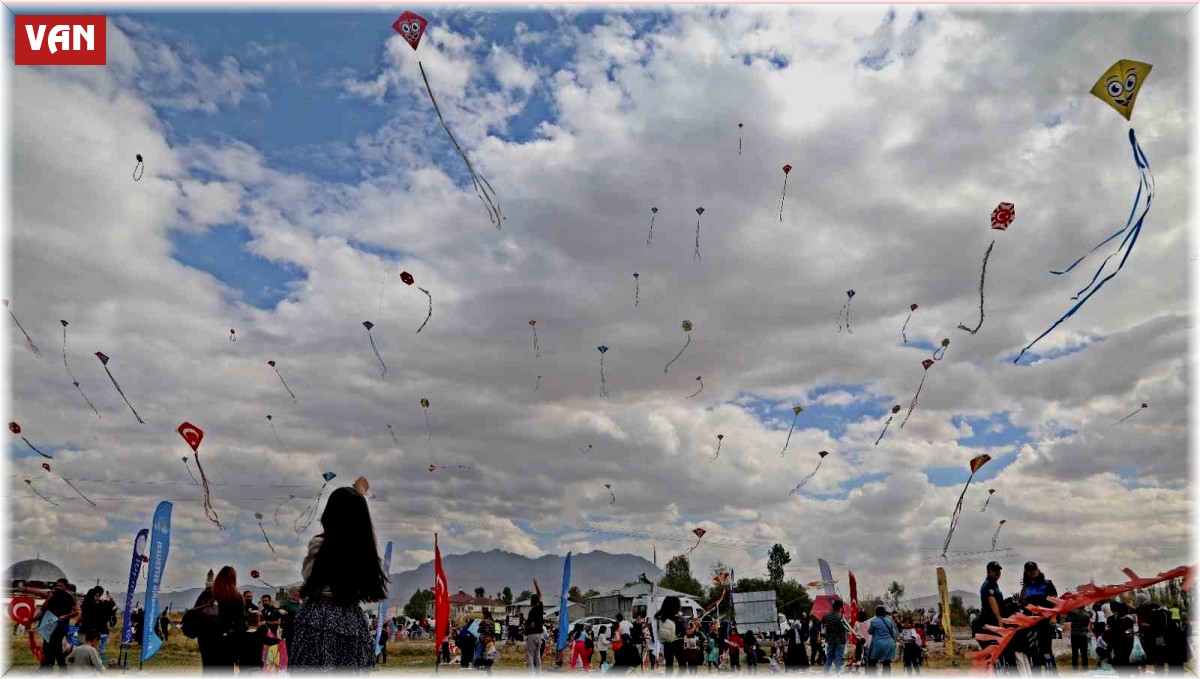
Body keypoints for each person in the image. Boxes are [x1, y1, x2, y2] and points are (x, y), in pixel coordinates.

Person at [290, 477, 388, 672]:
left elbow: (308, 575)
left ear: (329, 514)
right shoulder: (366, 553)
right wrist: (360, 501)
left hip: (316, 618)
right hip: (350, 619)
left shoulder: (319, 546)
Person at [193, 566, 247, 673]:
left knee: (208, 670)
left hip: (207, 638)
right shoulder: (237, 597)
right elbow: (240, 623)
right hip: (228, 640)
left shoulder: (208, 593)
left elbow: (195, 612)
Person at [1018, 562, 1058, 672]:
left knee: (1046, 651)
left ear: (1038, 569)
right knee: (1033, 651)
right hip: (1031, 624)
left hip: (1045, 622)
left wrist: (1054, 617)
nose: (1033, 571)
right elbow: (1022, 605)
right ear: (1026, 572)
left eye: (1034, 569)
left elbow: (1056, 601)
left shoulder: (1047, 584)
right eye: (1030, 570)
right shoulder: (1025, 588)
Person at [40, 577, 80, 671]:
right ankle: (48, 667)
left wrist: (65, 616)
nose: (58, 587)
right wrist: (50, 596)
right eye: (57, 585)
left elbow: (75, 612)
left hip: (61, 625)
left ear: (65, 587)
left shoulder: (69, 597)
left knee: (56, 647)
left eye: (60, 586)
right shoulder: (52, 595)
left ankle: (59, 670)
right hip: (48, 624)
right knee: (47, 647)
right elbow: (42, 609)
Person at [656, 596, 686, 675]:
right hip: (678, 643)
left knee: (669, 668)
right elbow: (687, 632)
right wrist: (695, 626)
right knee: (683, 667)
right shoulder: (680, 619)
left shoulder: (661, 619)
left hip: (667, 644)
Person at [866, 607, 899, 676]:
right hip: (889, 644)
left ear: (876, 613)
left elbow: (870, 632)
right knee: (887, 664)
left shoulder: (874, 621)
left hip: (878, 645)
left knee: (872, 662)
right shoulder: (890, 621)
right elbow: (894, 633)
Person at [822, 599, 851, 675]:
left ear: (833, 606)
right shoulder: (841, 618)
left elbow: (822, 622)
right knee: (838, 660)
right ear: (841, 608)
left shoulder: (826, 615)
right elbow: (848, 629)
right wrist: (846, 619)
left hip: (830, 640)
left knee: (828, 660)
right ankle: (838, 675)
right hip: (840, 641)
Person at [525, 582, 546, 672]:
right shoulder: (540, 607)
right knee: (537, 655)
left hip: (532, 635)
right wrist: (536, 584)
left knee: (529, 655)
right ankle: (539, 674)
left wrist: (524, 631)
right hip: (540, 634)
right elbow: (540, 594)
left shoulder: (532, 611)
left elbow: (532, 625)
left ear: (531, 601)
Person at [1067, 604, 1091, 670]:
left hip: (1074, 634)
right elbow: (1086, 624)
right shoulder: (1087, 615)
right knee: (1084, 653)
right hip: (1083, 635)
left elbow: (1068, 610)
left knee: (1075, 652)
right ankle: (1085, 669)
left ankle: (1075, 668)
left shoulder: (1073, 613)